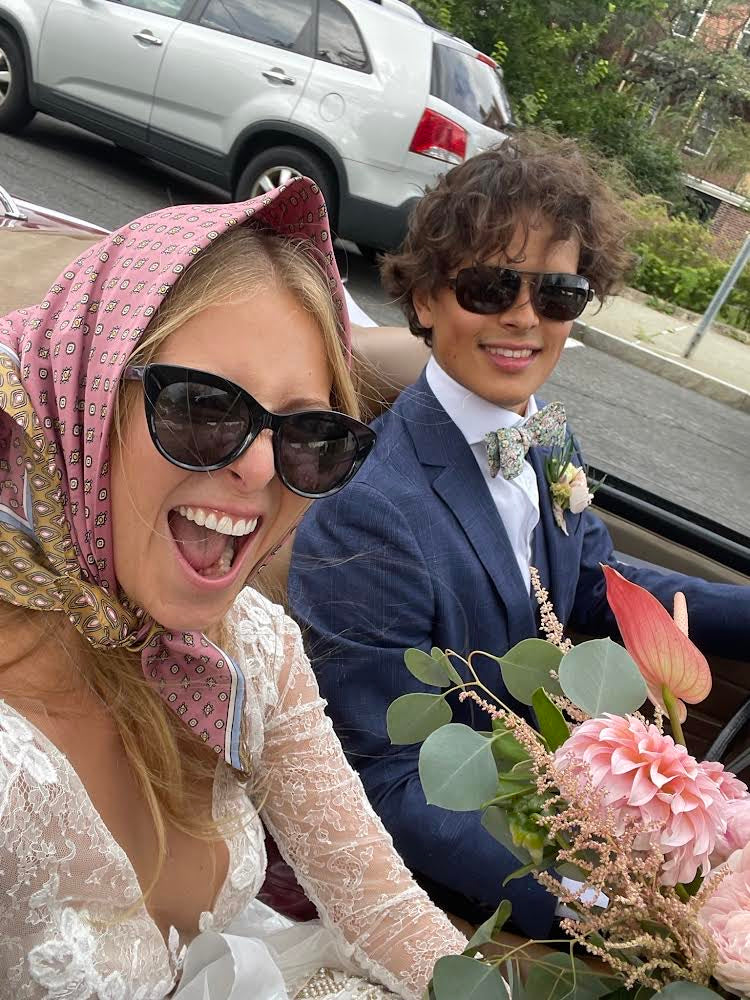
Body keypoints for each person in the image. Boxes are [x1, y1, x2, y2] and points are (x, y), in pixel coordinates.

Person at [0, 178, 468, 999]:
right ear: (84, 397)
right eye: (202, 407)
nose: (257, 466)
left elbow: (383, 909)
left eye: (309, 434)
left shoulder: (252, 647)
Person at [288, 135, 750, 939]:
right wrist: (620, 912)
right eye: (490, 284)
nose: (524, 317)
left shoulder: (545, 438)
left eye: (557, 294)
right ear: (427, 299)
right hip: (463, 888)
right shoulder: (367, 513)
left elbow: (596, 586)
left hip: (552, 801)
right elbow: (388, 783)